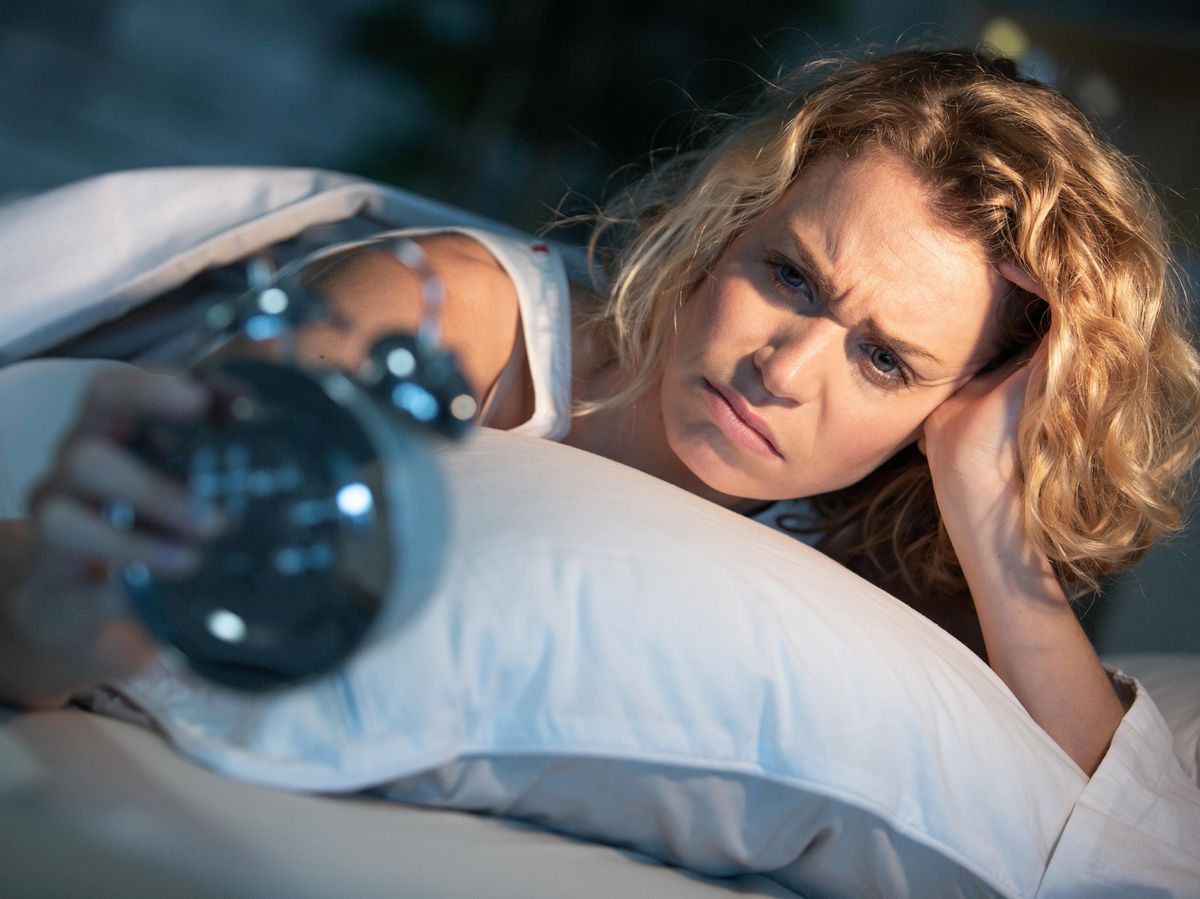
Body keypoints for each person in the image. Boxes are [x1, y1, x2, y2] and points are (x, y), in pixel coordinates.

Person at [1, 48, 1197, 779]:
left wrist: (988, 509)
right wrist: (65, 622)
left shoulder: (870, 528)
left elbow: (1106, 826)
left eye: (885, 358)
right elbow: (114, 566)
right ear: (730, 221)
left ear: (955, 402)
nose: (785, 368)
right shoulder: (450, 322)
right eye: (790, 276)